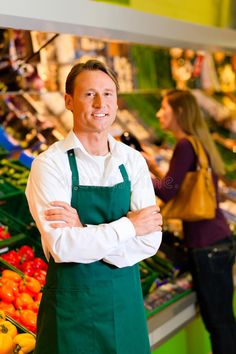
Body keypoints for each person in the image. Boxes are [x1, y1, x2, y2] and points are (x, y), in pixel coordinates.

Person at [25, 59, 162, 354]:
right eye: (89, 94)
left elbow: (150, 240)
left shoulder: (133, 161)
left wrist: (85, 231)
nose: (101, 103)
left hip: (125, 308)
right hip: (71, 316)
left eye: (108, 93)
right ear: (69, 101)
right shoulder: (49, 165)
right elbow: (63, 246)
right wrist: (129, 226)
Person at [145, 89, 236, 354]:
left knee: (218, 324)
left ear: (179, 112)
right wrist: (154, 168)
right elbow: (180, 185)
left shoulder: (185, 145)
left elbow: (167, 190)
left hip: (207, 246)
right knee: (225, 321)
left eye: (164, 108)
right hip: (219, 241)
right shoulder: (199, 143)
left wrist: (138, 172)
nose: (159, 114)